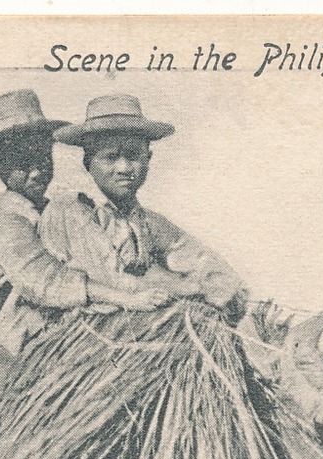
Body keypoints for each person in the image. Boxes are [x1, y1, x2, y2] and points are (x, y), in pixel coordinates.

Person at [0, 89, 168, 387]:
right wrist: (125, 298)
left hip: (17, 324)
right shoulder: (2, 218)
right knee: (21, 389)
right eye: (21, 163)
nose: (36, 171)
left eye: (42, 159)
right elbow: (44, 280)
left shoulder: (48, 212)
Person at [40, 94, 249, 324]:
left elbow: (200, 259)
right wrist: (193, 286)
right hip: (94, 332)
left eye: (133, 156)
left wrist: (221, 284)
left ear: (148, 158)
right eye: (110, 157)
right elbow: (115, 279)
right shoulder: (71, 210)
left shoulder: (146, 220)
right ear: (88, 162)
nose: (123, 168)